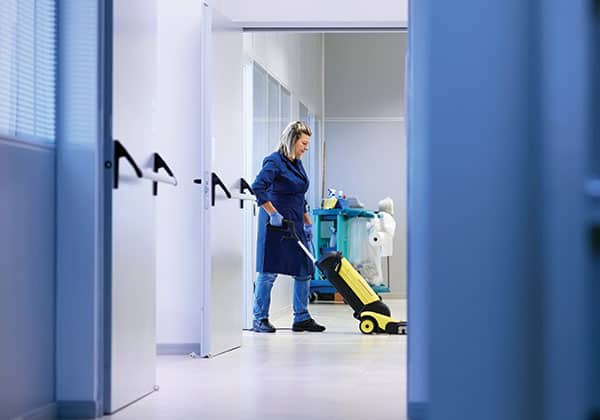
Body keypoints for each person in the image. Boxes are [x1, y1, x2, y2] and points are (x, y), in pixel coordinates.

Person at [251, 121, 326, 333]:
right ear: (292, 140)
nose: (306, 147)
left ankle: (301, 317)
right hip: (275, 224)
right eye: (304, 142)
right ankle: (259, 319)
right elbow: (258, 186)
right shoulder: (274, 161)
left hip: (295, 223)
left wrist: (308, 223)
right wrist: (272, 213)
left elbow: (299, 196)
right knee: (269, 272)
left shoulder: (296, 162)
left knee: (303, 269)